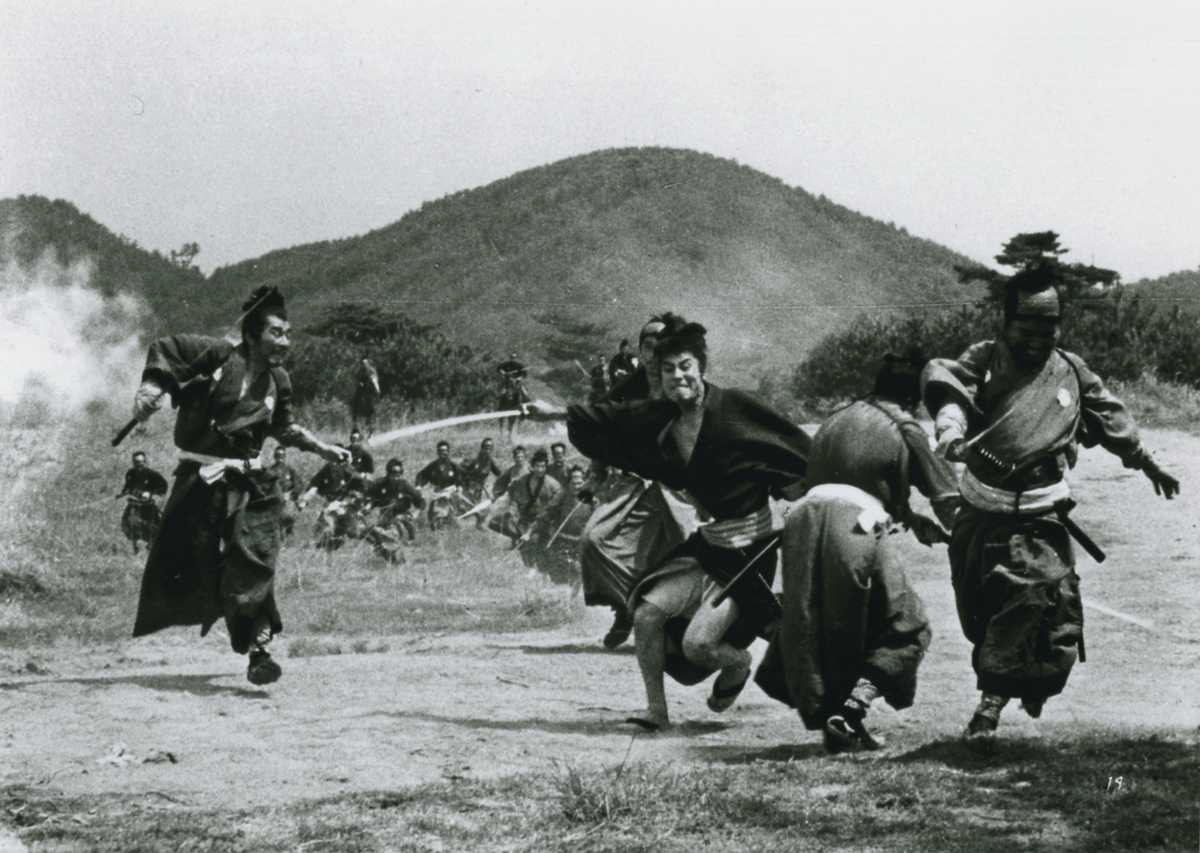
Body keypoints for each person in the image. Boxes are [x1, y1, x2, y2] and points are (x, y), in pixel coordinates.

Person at [921, 270, 1180, 756]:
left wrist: (1148, 464)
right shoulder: (984, 359)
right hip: (981, 513)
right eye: (1028, 329)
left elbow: (1110, 418)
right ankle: (1024, 684)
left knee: (1039, 598)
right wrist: (950, 432)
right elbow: (951, 395)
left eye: (1050, 328)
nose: (1039, 340)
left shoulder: (1071, 371)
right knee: (983, 617)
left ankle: (989, 708)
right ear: (1006, 322)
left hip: (1042, 518)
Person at [531, 317, 810, 730]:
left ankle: (738, 664)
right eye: (667, 370)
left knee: (699, 645)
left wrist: (801, 502)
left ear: (701, 368)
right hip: (709, 547)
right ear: (658, 377)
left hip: (750, 555)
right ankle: (657, 714)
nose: (677, 376)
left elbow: (795, 449)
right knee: (646, 615)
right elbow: (606, 416)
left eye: (685, 366)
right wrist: (547, 412)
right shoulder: (659, 417)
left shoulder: (736, 406)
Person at [129, 287, 350, 685]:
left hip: (251, 483)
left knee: (253, 558)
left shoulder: (279, 381)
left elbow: (284, 427)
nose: (286, 341)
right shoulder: (216, 355)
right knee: (192, 561)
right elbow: (167, 351)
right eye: (277, 333)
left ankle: (259, 650)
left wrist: (322, 449)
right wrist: (150, 390)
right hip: (200, 479)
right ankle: (232, 629)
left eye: (288, 333)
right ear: (251, 336)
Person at [754, 351, 959, 752]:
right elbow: (947, 497)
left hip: (800, 525)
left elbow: (849, 479)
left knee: (820, 626)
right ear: (914, 400)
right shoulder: (905, 426)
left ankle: (839, 723)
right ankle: (854, 705)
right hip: (855, 526)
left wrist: (910, 519)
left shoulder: (836, 418)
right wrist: (970, 535)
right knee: (907, 624)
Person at [577, 314, 695, 651]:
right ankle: (625, 608)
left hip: (680, 489)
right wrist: (593, 478)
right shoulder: (625, 390)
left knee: (689, 551)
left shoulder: (686, 384)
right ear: (640, 350)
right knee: (593, 540)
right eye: (647, 345)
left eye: (661, 346)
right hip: (635, 487)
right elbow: (602, 433)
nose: (653, 353)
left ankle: (689, 625)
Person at [533, 464, 594, 592]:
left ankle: (575, 598)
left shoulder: (591, 498)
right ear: (569, 483)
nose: (577, 486)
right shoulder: (563, 496)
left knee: (580, 572)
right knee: (559, 573)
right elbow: (548, 511)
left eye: (580, 482)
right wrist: (533, 528)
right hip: (563, 541)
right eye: (574, 482)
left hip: (581, 542)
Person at [509, 449, 564, 566]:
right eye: (537, 466)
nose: (540, 469)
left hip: (544, 521)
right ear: (532, 466)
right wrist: (514, 518)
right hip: (525, 520)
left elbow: (554, 506)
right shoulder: (521, 481)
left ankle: (537, 568)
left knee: (537, 544)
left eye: (543, 467)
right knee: (525, 546)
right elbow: (514, 500)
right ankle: (529, 567)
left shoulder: (552, 484)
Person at [365, 458, 426, 545]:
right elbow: (372, 497)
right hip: (385, 515)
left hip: (401, 515)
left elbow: (420, 500)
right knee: (376, 533)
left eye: (398, 475)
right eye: (393, 476)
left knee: (399, 524)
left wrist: (416, 512)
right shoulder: (380, 484)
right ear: (388, 474)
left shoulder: (404, 484)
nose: (396, 478)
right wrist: (369, 506)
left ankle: (409, 537)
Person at [118, 451, 169, 555]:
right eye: (137, 462)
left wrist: (150, 493)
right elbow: (128, 486)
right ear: (133, 462)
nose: (139, 464)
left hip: (148, 505)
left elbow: (163, 486)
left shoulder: (152, 474)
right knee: (127, 523)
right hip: (134, 503)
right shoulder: (130, 473)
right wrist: (122, 493)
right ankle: (135, 548)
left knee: (152, 526)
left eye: (142, 462)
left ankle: (151, 546)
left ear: (145, 462)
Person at [415, 440, 470, 528]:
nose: (443, 453)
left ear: (448, 452)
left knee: (454, 518)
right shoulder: (433, 466)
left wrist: (461, 487)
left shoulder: (453, 466)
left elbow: (464, 476)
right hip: (437, 493)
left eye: (445, 450)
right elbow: (421, 475)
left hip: (451, 493)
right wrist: (418, 486)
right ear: (437, 452)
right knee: (432, 520)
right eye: (441, 450)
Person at [266, 445, 302, 540]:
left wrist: (291, 493)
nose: (280, 457)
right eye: (278, 455)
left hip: (288, 498)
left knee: (290, 517)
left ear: (285, 457)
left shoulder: (290, 469)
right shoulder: (270, 471)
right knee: (275, 521)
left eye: (282, 455)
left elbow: (299, 484)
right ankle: (279, 539)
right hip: (275, 499)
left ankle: (289, 536)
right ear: (274, 456)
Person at [497, 353, 530, 438]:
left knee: (524, 392)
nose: (513, 359)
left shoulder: (520, 365)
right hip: (508, 382)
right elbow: (498, 368)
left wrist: (520, 378)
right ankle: (500, 405)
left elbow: (524, 374)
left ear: (517, 358)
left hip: (517, 382)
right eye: (512, 358)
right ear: (510, 358)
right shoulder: (506, 364)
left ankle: (524, 404)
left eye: (514, 358)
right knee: (502, 392)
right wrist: (502, 372)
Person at [351, 355, 381, 436]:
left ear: (368, 363)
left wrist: (376, 388)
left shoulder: (371, 371)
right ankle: (354, 412)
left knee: (374, 401)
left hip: (370, 390)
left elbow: (374, 379)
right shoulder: (359, 371)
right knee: (355, 399)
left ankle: (374, 412)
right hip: (361, 389)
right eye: (363, 363)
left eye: (366, 363)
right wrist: (359, 383)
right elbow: (355, 379)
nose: (364, 365)